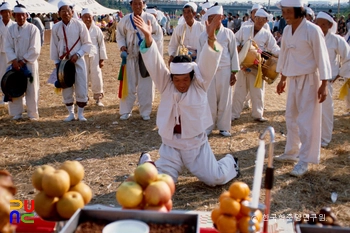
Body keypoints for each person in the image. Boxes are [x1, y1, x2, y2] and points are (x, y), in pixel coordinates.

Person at [133, 13, 240, 186]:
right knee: (163, 184)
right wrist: (148, 37)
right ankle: (147, 161)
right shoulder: (166, 84)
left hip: (195, 147)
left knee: (215, 179)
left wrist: (211, 38)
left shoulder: (200, 84)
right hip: (171, 146)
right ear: (171, 78)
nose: (181, 84)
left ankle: (231, 162)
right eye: (177, 80)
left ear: (192, 77)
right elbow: (155, 64)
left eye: (185, 80)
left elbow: (208, 63)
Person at [275, 0, 332, 177]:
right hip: (293, 78)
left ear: (299, 11)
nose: (285, 15)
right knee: (291, 117)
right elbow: (284, 54)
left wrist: (324, 84)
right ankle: (292, 151)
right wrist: (282, 78)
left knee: (307, 122)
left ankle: (305, 160)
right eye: (283, 11)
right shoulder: (286, 30)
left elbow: (322, 57)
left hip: (310, 79)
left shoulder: (312, 30)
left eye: (288, 11)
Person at [116, 0, 163, 121]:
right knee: (129, 84)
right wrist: (122, 46)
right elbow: (120, 34)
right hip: (130, 56)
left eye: (139, 3)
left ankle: (145, 111)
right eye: (135, 3)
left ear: (143, 4)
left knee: (145, 86)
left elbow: (158, 35)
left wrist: (148, 44)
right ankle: (126, 110)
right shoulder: (125, 19)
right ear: (131, 5)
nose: (137, 6)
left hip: (145, 57)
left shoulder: (150, 18)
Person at [197, 4, 239, 137]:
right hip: (209, 71)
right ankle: (208, 126)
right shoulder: (203, 36)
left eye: (214, 18)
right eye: (209, 19)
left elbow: (234, 54)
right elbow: (199, 56)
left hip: (225, 70)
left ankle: (224, 127)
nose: (211, 22)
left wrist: (234, 72)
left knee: (225, 99)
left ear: (220, 18)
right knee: (209, 99)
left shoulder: (228, 34)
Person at [231, 8, 280, 122]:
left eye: (262, 20)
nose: (259, 21)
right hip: (243, 65)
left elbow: (274, 48)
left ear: (265, 21)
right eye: (258, 19)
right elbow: (235, 39)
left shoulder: (266, 34)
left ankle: (258, 114)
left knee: (257, 91)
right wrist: (238, 46)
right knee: (240, 90)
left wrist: (282, 54)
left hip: (257, 66)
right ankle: (234, 114)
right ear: (254, 18)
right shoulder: (245, 29)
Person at [50, 0, 93, 121]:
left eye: (68, 11)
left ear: (72, 12)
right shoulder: (56, 28)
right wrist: (57, 63)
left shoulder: (79, 25)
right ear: (58, 13)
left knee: (81, 85)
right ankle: (71, 113)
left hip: (78, 61)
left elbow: (87, 43)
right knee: (66, 86)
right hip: (63, 62)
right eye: (63, 11)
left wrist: (78, 54)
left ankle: (80, 114)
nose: (65, 13)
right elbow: (54, 46)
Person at [315, 12, 350, 148]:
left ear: (330, 25)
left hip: (327, 80)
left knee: (326, 111)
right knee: (309, 110)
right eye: (317, 23)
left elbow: (347, 57)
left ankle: (325, 138)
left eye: (323, 24)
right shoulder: (312, 37)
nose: (320, 26)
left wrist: (339, 74)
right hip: (310, 78)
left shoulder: (336, 40)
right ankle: (312, 136)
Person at [5, 2, 41, 120]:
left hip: (29, 64)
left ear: (26, 15)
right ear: (14, 16)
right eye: (18, 15)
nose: (20, 17)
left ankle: (32, 114)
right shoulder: (10, 29)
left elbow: (35, 48)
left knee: (31, 89)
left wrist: (23, 61)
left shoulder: (33, 29)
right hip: (15, 64)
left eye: (23, 15)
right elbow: (8, 46)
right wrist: (14, 61)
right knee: (14, 86)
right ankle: (17, 113)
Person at [81, 8, 108, 107]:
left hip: (95, 56)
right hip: (82, 56)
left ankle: (98, 98)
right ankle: (83, 98)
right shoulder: (79, 28)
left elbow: (101, 45)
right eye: (85, 17)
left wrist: (102, 59)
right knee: (83, 77)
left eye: (89, 17)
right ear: (82, 17)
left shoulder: (97, 30)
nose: (87, 19)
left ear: (92, 17)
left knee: (96, 76)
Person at [0, 2, 14, 105]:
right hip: (1, 54)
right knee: (2, 75)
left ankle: (16, 95)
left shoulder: (14, 25)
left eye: (8, 12)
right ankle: (4, 96)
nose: (7, 14)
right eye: (5, 12)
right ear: (1, 13)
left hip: (12, 55)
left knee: (13, 75)